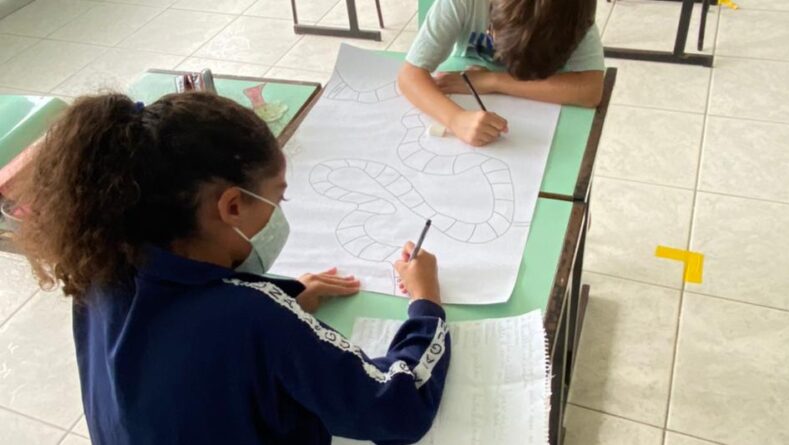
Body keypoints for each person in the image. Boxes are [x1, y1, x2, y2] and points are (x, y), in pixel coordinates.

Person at [14, 92, 450, 445]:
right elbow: (399, 409)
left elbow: (187, 356)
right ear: (232, 205)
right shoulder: (254, 318)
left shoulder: (101, 266)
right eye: (277, 199)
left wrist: (289, 295)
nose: (279, 211)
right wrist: (426, 304)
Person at [398, 0, 605, 146]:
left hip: (548, 119)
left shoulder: (572, 12)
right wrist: (456, 119)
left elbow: (590, 90)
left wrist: (493, 81)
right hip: (468, 88)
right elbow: (409, 76)